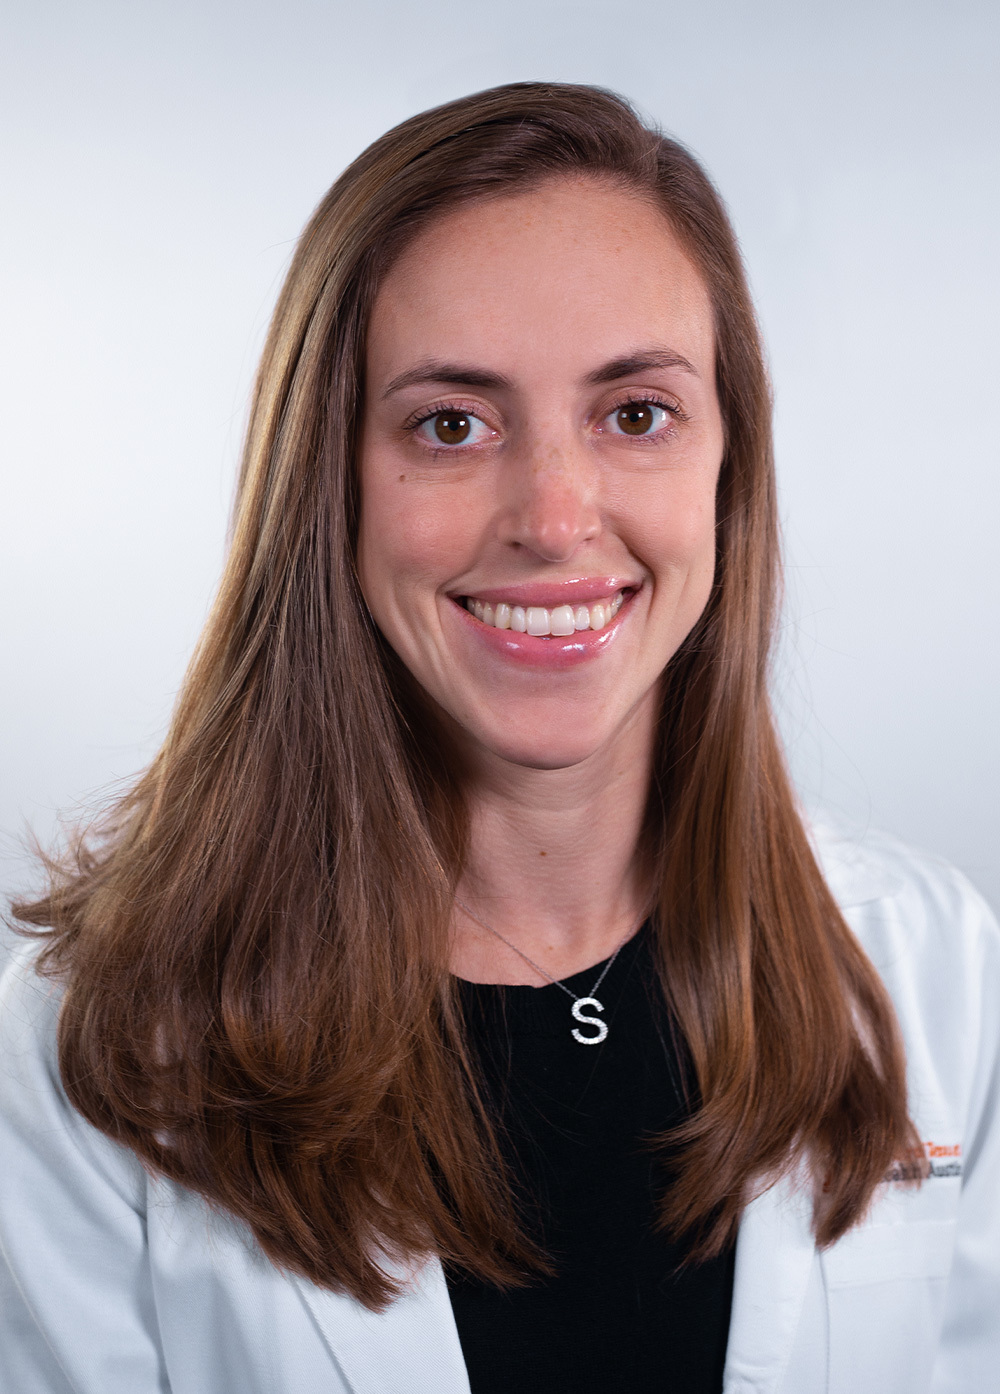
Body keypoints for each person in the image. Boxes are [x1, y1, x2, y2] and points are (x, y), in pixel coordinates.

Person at [1, 81, 997, 1394]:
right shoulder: (93, 1055)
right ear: (329, 487)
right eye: (451, 423)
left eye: (633, 412)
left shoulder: (941, 976)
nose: (555, 514)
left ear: (727, 469)